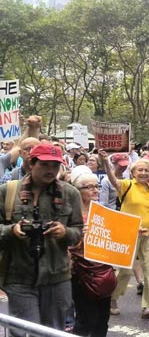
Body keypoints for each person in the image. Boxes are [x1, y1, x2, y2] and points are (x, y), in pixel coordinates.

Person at [0, 143, 83, 335]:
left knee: (52, 332)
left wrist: (65, 232)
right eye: (45, 165)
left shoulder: (70, 193)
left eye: (55, 165)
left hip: (57, 277)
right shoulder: (8, 192)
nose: (50, 170)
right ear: (31, 163)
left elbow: (78, 231)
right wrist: (12, 230)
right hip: (19, 276)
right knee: (22, 331)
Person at [100, 151, 149, 320]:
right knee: (125, 271)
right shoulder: (126, 185)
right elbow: (112, 179)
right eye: (140, 170)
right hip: (128, 233)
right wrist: (105, 163)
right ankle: (111, 299)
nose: (143, 173)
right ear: (133, 173)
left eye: (146, 170)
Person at [69, 166, 113, 337]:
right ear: (76, 190)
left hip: (102, 270)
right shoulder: (69, 212)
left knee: (103, 319)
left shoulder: (101, 210)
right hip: (81, 272)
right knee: (86, 319)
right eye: (89, 187)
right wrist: (78, 234)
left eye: (97, 186)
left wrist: (130, 233)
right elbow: (62, 241)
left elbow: (114, 235)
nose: (95, 190)